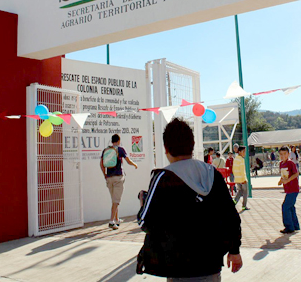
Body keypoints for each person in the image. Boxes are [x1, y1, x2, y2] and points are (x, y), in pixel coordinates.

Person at [136, 118, 243, 280]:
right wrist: (234, 250)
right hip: (210, 264)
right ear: (192, 145)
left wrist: (143, 203)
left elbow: (145, 222)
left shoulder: (163, 178)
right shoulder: (211, 173)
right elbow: (231, 216)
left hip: (178, 267)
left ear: (166, 148)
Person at [100, 134, 138, 230]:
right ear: (118, 141)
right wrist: (135, 164)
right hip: (118, 178)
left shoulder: (106, 150)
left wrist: (105, 175)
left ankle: (116, 219)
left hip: (109, 178)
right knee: (116, 201)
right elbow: (128, 161)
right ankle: (111, 221)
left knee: (114, 200)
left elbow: (101, 164)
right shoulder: (120, 150)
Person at [278, 146, 299, 233]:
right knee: (290, 207)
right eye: (281, 154)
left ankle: (289, 226)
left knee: (285, 206)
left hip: (293, 188)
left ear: (288, 154)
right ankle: (295, 225)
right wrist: (280, 181)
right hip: (288, 189)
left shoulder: (291, 163)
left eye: (285, 154)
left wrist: (288, 180)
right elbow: (283, 175)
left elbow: (296, 174)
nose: (283, 156)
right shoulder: (281, 164)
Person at [233, 146, 249, 211]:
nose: (244, 153)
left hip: (237, 179)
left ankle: (234, 202)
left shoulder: (235, 159)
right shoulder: (241, 160)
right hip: (242, 179)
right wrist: (244, 179)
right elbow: (242, 170)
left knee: (239, 191)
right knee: (245, 192)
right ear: (239, 152)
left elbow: (233, 169)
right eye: (243, 151)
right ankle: (244, 206)